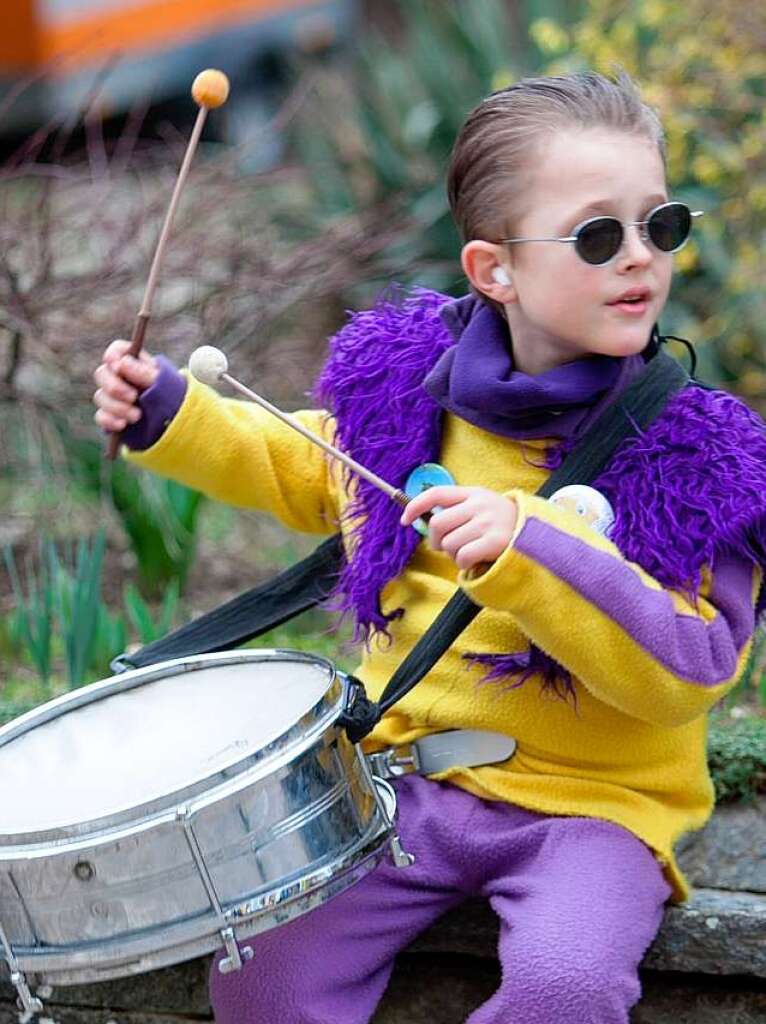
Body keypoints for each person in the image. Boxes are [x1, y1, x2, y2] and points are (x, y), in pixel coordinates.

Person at [92, 72, 766, 1024]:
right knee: (266, 976)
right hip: (409, 785)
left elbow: (694, 670)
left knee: (564, 987)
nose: (640, 260)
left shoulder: (704, 457)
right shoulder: (408, 392)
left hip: (594, 812)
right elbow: (307, 463)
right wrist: (171, 412)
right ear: (494, 270)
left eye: (661, 225)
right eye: (597, 235)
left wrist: (533, 552)